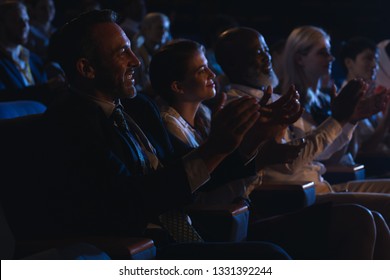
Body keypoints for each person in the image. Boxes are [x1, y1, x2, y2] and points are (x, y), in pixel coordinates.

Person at [5, 8, 299, 260]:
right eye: (122, 52)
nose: (136, 61)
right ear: (87, 69)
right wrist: (214, 148)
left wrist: (253, 138)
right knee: (270, 258)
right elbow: (129, 203)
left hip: (183, 233)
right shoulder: (68, 124)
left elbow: (184, 171)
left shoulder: (138, 108)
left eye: (132, 48)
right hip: (138, 252)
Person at [149, 39, 389, 259]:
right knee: (360, 219)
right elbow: (281, 164)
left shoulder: (209, 115)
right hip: (272, 201)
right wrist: (256, 152)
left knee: (372, 217)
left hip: (290, 192)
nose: (267, 58)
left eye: (266, 51)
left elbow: (319, 154)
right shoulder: (236, 108)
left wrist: (348, 120)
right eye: (257, 53)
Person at [339, 37, 390, 175]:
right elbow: (364, 151)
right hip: (367, 170)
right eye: (368, 59)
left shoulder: (368, 96)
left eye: (376, 60)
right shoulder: (344, 100)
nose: (374, 65)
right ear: (349, 63)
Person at [0, 1, 64, 104]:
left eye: (26, 20)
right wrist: (44, 89)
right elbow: (4, 97)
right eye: (17, 20)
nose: (25, 25)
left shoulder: (33, 59)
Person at [133, 12, 171, 98]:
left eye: (166, 29)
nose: (164, 32)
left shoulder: (166, 56)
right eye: (160, 28)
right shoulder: (136, 57)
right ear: (146, 29)